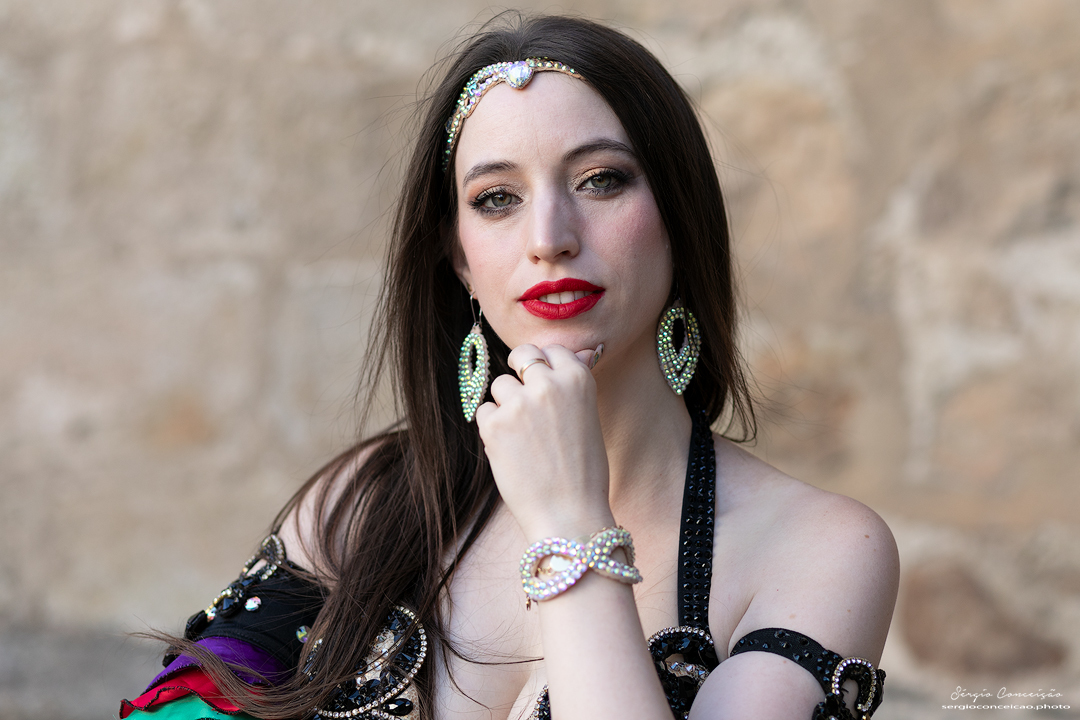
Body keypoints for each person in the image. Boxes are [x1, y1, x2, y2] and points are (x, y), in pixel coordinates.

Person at [120, 13, 899, 720]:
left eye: (601, 180)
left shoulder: (819, 550)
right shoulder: (360, 507)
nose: (549, 237)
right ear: (459, 258)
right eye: (497, 197)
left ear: (679, 216)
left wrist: (571, 523)